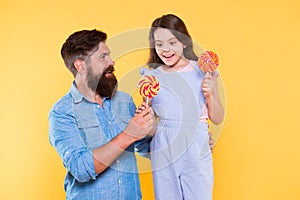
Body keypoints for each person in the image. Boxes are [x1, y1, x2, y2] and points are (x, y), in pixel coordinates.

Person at [48, 29, 156, 200]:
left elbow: (146, 148)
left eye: (109, 55)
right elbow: (81, 169)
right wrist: (129, 134)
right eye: (102, 57)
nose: (112, 62)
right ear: (81, 66)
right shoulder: (62, 113)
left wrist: (191, 142)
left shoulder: (124, 101)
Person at [139, 14, 224, 200]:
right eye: (159, 44)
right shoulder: (152, 78)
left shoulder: (203, 71)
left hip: (196, 142)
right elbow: (149, 124)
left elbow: (217, 118)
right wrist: (145, 115)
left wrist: (210, 93)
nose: (165, 50)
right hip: (163, 143)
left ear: (184, 42)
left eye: (172, 42)